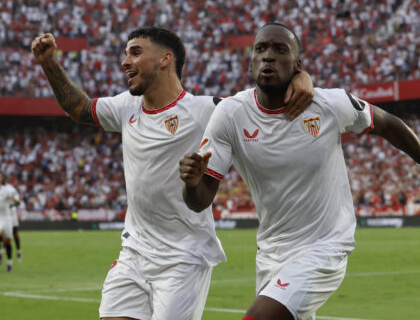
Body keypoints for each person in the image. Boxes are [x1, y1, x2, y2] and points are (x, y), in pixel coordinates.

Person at [179, 22, 420, 320]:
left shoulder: (327, 103)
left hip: (324, 246)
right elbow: (198, 200)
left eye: (280, 49)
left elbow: (388, 124)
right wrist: (192, 182)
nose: (268, 56)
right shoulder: (230, 114)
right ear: (251, 62)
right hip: (271, 253)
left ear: (298, 64)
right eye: (260, 49)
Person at [31, 27, 314, 320]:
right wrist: (49, 62)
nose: (125, 62)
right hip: (134, 252)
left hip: (183, 259)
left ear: (166, 59)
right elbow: (79, 108)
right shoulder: (125, 107)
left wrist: (301, 77)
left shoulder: (207, 110)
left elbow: (263, 104)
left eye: (136, 52)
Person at [0, 173, 19, 272]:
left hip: (7, 217)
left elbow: (17, 202)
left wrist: (14, 199)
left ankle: (9, 262)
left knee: (8, 241)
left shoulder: (6, 190)